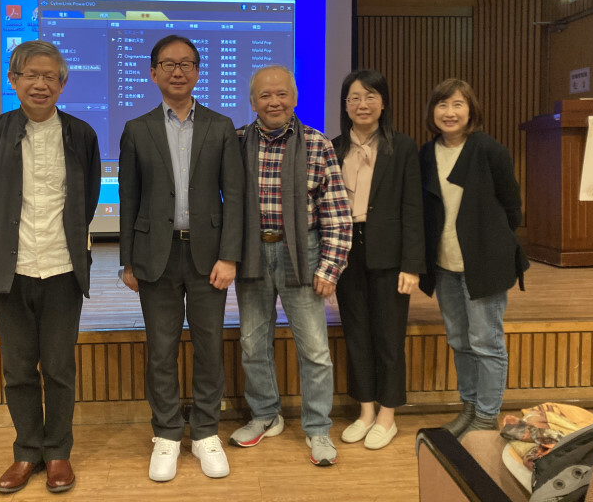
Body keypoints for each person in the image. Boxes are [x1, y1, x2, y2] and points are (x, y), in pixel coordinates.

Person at [0, 40, 101, 494]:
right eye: (30, 75)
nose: (40, 84)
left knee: (60, 366)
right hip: (11, 269)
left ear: (62, 84)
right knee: (19, 368)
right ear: (14, 80)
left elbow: (86, 198)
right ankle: (27, 451)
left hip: (63, 268)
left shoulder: (81, 134)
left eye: (50, 77)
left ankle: (58, 452)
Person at [118, 35, 244, 482]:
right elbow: (129, 197)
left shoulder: (222, 126)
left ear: (197, 71)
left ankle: (206, 430)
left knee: (209, 347)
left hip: (208, 256)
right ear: (153, 73)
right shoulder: (137, 129)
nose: (178, 71)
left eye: (187, 63)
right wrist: (128, 261)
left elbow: (236, 196)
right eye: (168, 64)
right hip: (157, 256)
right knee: (162, 349)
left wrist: (230, 255)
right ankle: (168, 433)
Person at [230, 65, 352, 466]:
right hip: (252, 254)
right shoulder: (236, 143)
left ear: (295, 99)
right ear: (252, 102)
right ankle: (266, 415)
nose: (274, 101)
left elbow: (336, 213)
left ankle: (318, 429)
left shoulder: (317, 145)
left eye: (282, 94)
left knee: (315, 349)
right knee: (252, 343)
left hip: (303, 254)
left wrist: (329, 268)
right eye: (265, 95)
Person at [418, 78, 529, 439]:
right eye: (442, 105)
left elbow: (512, 207)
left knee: (487, 342)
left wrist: (493, 243)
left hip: (484, 264)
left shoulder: (488, 149)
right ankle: (468, 408)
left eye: (457, 105)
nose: (449, 113)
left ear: (471, 110)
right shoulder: (425, 153)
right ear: (432, 112)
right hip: (444, 264)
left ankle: (485, 416)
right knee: (460, 341)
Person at [331, 69, 425, 450]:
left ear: (383, 103)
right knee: (357, 333)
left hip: (389, 253)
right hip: (346, 251)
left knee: (388, 335)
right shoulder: (334, 147)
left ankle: (388, 414)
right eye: (354, 97)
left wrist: (411, 265)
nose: (362, 104)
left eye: (370, 96)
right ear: (345, 105)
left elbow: (413, 208)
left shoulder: (401, 147)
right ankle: (365, 410)